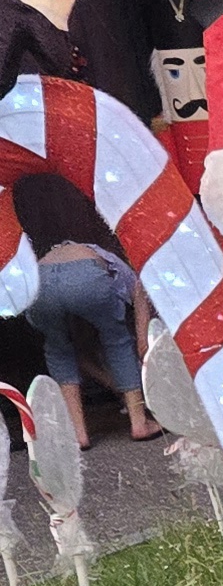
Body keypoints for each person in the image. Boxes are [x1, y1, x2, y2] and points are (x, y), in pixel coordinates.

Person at [14, 173, 159, 448]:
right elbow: (140, 294)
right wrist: (143, 341)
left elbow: (78, 352)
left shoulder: (54, 252)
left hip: (40, 280)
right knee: (117, 340)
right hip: (86, 274)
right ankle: (139, 422)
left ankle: (78, 434)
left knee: (58, 349)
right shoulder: (113, 259)